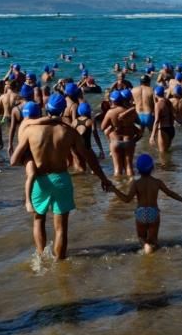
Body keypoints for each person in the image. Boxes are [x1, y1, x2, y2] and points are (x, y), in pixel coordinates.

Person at [9, 93, 113, 260]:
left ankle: (41, 258)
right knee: (61, 228)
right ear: (63, 109)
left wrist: (29, 159)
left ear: (46, 109)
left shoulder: (30, 131)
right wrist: (103, 178)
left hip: (40, 181)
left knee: (38, 221)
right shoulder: (69, 132)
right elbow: (89, 157)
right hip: (61, 180)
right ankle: (60, 263)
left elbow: (13, 161)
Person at [112, 154, 182, 253]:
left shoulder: (136, 183)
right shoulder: (157, 182)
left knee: (141, 237)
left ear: (138, 169)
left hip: (141, 212)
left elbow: (127, 199)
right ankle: (154, 251)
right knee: (154, 240)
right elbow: (169, 193)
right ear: (152, 168)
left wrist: (115, 190)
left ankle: (145, 246)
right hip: (153, 212)